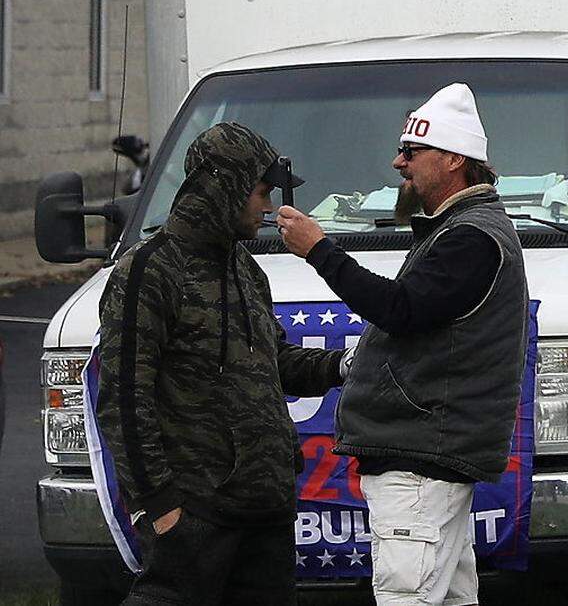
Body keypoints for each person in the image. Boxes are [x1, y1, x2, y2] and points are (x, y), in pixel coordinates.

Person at [276, 83, 529, 606]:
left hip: (421, 463)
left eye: (412, 152)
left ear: (455, 158)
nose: (398, 163)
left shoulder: (471, 237)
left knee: (405, 598)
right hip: (428, 458)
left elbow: (399, 310)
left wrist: (319, 249)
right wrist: (353, 364)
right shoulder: (456, 230)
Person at [94, 123, 345, 605]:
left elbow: (274, 362)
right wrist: (161, 507)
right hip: (194, 514)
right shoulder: (150, 271)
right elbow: (124, 400)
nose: (269, 206)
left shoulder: (245, 269)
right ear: (223, 186)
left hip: (263, 511)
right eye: (261, 191)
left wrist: (343, 365)